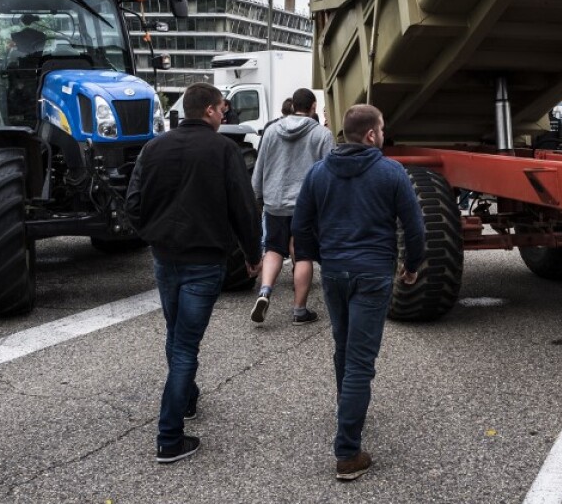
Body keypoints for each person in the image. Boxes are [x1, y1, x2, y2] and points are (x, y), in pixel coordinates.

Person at [126, 82, 262, 464]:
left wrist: (152, 234)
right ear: (208, 111)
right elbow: (243, 207)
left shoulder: (154, 147)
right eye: (223, 109)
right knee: (185, 345)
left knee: (176, 334)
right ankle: (169, 438)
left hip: (165, 257)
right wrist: (253, 254)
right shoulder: (223, 150)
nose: (225, 115)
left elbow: (133, 203)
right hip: (204, 260)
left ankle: (186, 399)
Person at [291, 103, 425, 481]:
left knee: (343, 347)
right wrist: (412, 266)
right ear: (370, 135)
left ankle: (346, 405)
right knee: (361, 362)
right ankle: (348, 452)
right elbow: (414, 228)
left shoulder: (318, 173)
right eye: (381, 129)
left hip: (335, 273)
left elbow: (301, 226)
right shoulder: (391, 172)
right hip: (373, 274)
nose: (383, 135)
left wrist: (322, 257)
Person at [250, 87, 334, 324]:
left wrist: (257, 196)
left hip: (275, 202)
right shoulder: (321, 134)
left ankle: (265, 291)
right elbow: (330, 173)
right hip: (305, 207)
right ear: (313, 107)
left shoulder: (271, 130)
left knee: (274, 249)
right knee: (304, 254)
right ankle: (299, 311)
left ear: (292, 105)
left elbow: (261, 166)